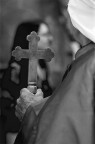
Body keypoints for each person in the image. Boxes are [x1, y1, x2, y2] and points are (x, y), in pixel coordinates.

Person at [14, 0, 95, 144]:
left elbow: (63, 134)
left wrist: (32, 111)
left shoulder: (86, 66)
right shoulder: (17, 70)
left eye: (67, 11)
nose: (64, 20)